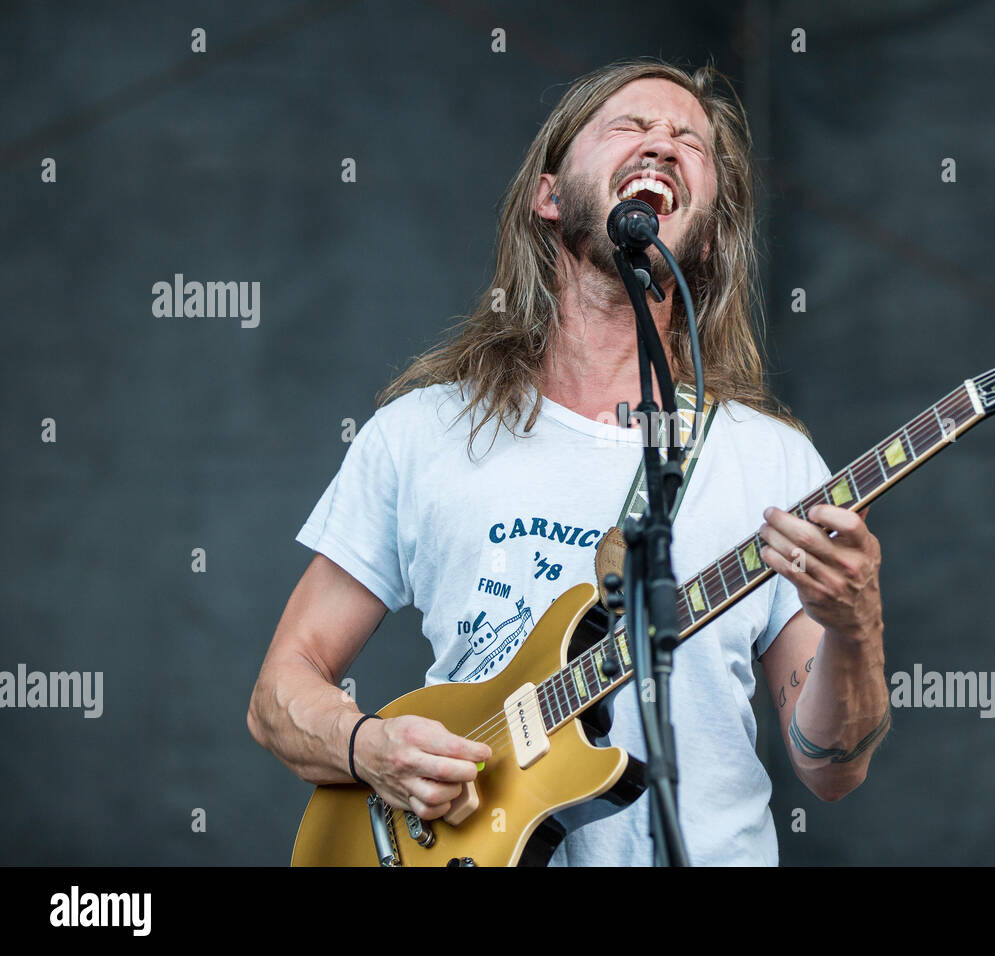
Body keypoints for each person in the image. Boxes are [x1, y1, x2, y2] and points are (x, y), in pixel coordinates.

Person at [247, 58, 891, 866]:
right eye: (631, 125)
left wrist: (855, 624)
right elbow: (281, 690)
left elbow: (831, 768)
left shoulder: (772, 462)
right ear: (548, 195)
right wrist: (368, 746)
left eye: (689, 141)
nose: (663, 143)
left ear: (708, 229)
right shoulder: (422, 433)